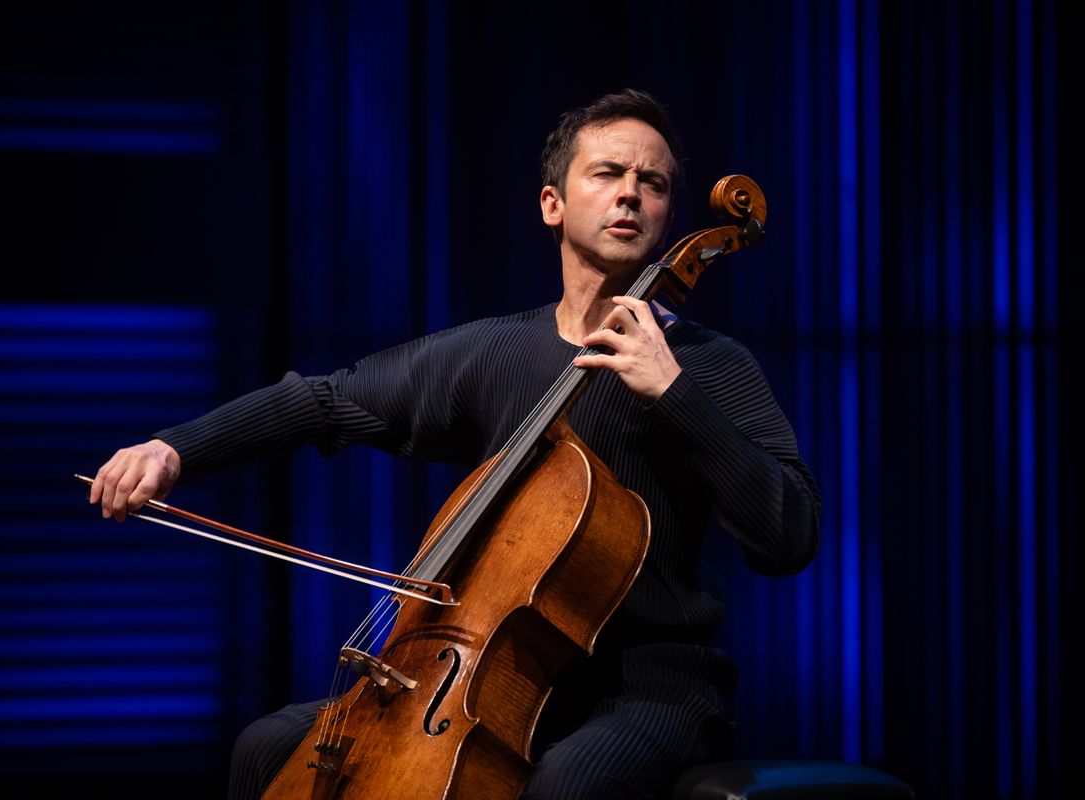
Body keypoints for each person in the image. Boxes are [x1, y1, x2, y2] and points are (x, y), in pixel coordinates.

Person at [89, 88, 821, 800]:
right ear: (553, 204)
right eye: (607, 173)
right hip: (498, 669)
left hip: (650, 685)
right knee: (270, 745)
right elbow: (327, 400)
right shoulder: (495, 352)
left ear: (666, 217)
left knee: (569, 784)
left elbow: (788, 535)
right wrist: (175, 449)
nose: (630, 193)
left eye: (652, 183)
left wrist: (675, 393)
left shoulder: (707, 364)